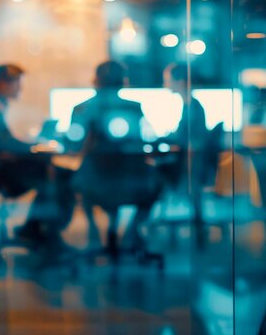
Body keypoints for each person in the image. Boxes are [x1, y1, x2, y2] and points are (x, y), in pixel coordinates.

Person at [0, 64, 74, 247]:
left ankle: (34, 229)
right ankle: (40, 232)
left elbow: (4, 140)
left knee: (57, 174)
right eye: (18, 83)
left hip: (0, 164)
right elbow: (4, 143)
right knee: (61, 177)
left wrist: (30, 144)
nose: (21, 88)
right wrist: (35, 146)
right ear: (3, 82)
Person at [67, 61, 161, 251]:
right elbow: (143, 142)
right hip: (132, 181)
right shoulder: (135, 108)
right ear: (124, 82)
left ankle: (93, 231)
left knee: (74, 177)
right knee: (160, 181)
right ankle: (131, 232)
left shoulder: (82, 108)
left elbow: (73, 145)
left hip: (95, 183)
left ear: (96, 80)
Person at [162, 62, 209, 247]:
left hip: (189, 165)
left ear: (179, 81)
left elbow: (189, 140)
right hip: (188, 162)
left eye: (168, 80)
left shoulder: (193, 107)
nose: (165, 85)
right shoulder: (189, 104)